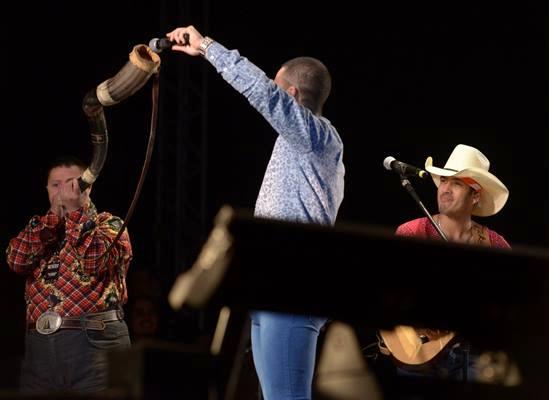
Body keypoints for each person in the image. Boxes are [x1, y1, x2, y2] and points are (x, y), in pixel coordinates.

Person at [166, 25, 345, 400]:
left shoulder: (315, 137)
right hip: (272, 287)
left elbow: (262, 92)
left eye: (280, 92)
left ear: (292, 95)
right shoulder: (298, 143)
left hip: (293, 287)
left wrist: (207, 47)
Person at [6, 155, 133, 393]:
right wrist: (53, 221)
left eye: (72, 184)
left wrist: (75, 211)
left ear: (87, 187)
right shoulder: (41, 232)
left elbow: (94, 261)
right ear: (47, 189)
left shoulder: (110, 224)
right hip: (40, 350)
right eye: (56, 185)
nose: (63, 192)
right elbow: (16, 260)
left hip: (96, 344)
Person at [385, 144, 510, 382]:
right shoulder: (412, 232)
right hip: (417, 350)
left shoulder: (495, 245)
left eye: (457, 183)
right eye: (443, 181)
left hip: (472, 355)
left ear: (475, 195)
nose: (445, 189)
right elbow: (389, 287)